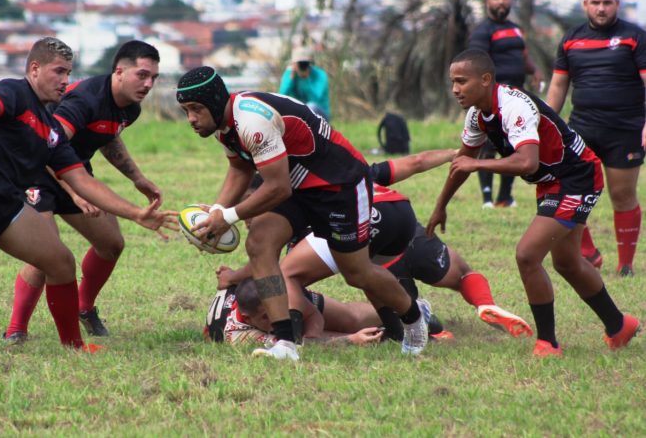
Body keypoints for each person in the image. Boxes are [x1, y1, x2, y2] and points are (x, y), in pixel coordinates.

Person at [0, 37, 177, 354]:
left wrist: (136, 213)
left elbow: (81, 179)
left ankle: (74, 346)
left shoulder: (51, 130)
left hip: (6, 202)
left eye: (68, 72)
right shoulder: (13, 91)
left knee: (60, 262)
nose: (65, 80)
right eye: (58, 71)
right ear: (34, 69)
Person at [176, 66, 429, 361]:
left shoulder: (252, 121)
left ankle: (413, 317)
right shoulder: (224, 126)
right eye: (185, 111)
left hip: (339, 183)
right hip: (298, 185)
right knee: (259, 244)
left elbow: (277, 188)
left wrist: (228, 217)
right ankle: (285, 343)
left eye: (196, 108)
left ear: (216, 100)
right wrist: (217, 210)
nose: (191, 118)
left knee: (357, 273)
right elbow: (240, 168)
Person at [426, 48, 640, 357]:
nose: (455, 89)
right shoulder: (477, 115)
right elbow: (462, 163)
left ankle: (548, 343)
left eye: (462, 81)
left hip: (576, 175)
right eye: (452, 82)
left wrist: (479, 165)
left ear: (486, 80)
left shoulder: (514, 106)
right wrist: (439, 206)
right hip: (553, 180)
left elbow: (527, 161)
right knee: (566, 262)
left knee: (527, 255)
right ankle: (619, 326)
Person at [217, 156, 533, 340]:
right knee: (460, 274)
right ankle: (480, 304)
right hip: (399, 221)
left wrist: (234, 278)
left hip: (366, 246)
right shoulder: (341, 175)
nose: (248, 221)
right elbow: (414, 162)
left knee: (298, 280)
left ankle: (287, 339)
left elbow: (269, 268)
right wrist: (454, 153)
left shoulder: (293, 228)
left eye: (252, 212)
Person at [2, 40, 163, 343]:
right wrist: (76, 193)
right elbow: (48, 147)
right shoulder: (84, 100)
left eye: (154, 77)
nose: (148, 83)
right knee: (46, 254)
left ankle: (83, 307)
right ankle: (15, 330)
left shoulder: (130, 108)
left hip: (75, 173)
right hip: (35, 171)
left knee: (111, 243)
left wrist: (137, 178)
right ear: (119, 72)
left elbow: (107, 135)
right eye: (142, 75)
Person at [546, 0, 646, 277]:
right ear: (585, 4)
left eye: (607, 2)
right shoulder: (570, 39)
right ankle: (589, 252)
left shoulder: (634, 37)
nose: (601, 9)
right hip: (581, 128)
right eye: (596, 2)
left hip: (624, 129)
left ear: (617, 3)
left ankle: (625, 264)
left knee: (622, 194)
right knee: (569, 189)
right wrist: (546, 125)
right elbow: (558, 87)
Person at [468, 0, 544, 209]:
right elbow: (476, 63)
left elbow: (523, 55)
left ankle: (505, 197)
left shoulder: (515, 29)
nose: (501, 1)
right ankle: (487, 198)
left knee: (513, 146)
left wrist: (535, 71)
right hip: (495, 98)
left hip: (517, 96)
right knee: (490, 145)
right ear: (487, 2)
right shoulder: (483, 32)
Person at [205, 281, 384, 346]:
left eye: (277, 307)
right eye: (266, 316)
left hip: (275, 290)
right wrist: (351, 340)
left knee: (352, 318)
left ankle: (404, 308)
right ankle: (377, 335)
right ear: (247, 317)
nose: (277, 316)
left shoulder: (276, 290)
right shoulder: (240, 335)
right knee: (298, 336)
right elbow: (299, 345)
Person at [278, 46, 331, 121]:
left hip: (320, 113)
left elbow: (315, 98)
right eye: (300, 63)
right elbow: (281, 96)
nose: (303, 66)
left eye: (305, 63)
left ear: (310, 63)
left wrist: (306, 78)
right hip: (299, 112)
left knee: (310, 106)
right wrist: (290, 79)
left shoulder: (320, 75)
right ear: (293, 64)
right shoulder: (290, 74)